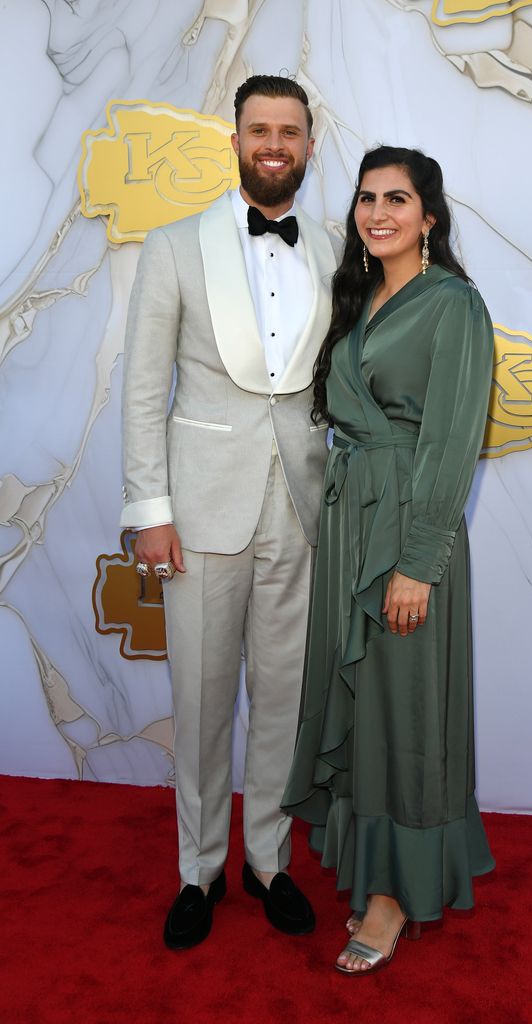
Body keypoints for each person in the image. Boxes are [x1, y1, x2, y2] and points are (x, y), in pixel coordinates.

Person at [120, 75, 336, 949]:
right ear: (236, 139)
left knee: (282, 700)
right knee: (202, 699)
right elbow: (141, 392)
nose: (273, 144)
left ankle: (268, 861)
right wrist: (149, 510)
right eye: (259, 130)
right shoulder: (174, 247)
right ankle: (198, 871)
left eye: (289, 130)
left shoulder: (330, 247)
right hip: (199, 511)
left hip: (301, 506)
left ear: (309, 145)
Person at [282, 146, 496, 974]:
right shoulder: (359, 297)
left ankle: (395, 895)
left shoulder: (454, 306)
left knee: (410, 710)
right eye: (367, 198)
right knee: (365, 703)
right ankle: (372, 868)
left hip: (408, 523)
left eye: (397, 199)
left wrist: (418, 561)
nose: (377, 212)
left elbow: (451, 443)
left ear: (429, 219)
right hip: (349, 525)